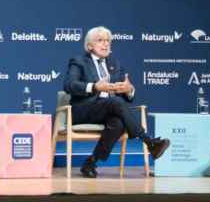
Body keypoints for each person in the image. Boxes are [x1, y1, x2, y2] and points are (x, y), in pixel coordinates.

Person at [63, 26, 170, 177]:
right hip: (83, 110)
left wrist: (128, 90)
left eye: (108, 41)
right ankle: (149, 141)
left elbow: (127, 92)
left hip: (107, 109)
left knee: (118, 123)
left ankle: (90, 163)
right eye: (100, 40)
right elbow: (69, 85)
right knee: (116, 103)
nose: (106, 44)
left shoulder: (114, 64)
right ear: (89, 46)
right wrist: (94, 87)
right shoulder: (79, 61)